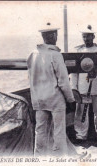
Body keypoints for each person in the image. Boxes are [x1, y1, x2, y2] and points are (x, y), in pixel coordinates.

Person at [27, 23, 77, 156]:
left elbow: (31, 77)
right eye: (55, 34)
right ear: (53, 36)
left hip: (39, 99)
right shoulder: (56, 55)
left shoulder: (33, 54)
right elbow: (63, 81)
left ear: (43, 36)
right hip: (55, 99)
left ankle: (38, 158)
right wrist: (71, 99)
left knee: (40, 131)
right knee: (59, 131)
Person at [70, 25, 97, 144]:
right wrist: (74, 88)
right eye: (84, 36)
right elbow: (74, 72)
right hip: (83, 86)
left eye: (88, 36)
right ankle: (80, 135)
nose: (86, 39)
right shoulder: (78, 51)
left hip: (96, 85)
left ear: (93, 36)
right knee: (81, 112)